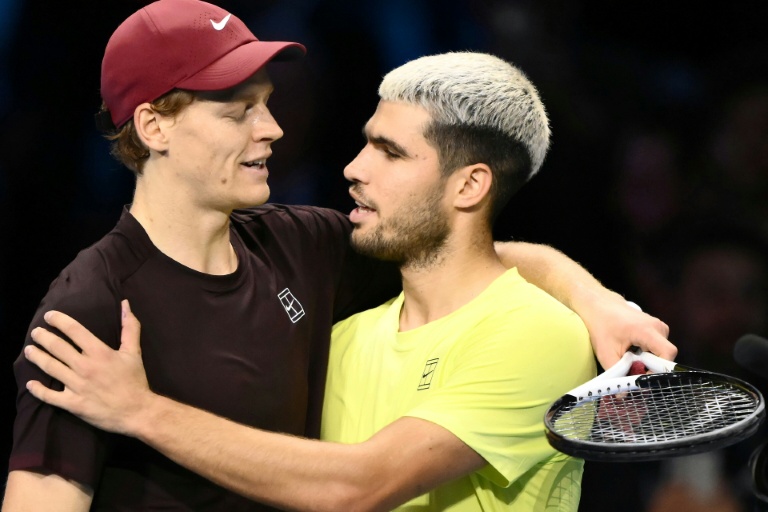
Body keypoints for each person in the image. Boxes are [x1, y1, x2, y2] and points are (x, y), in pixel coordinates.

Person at [5, 0, 676, 510]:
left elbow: (470, 253)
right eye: (238, 111)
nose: (272, 128)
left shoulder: (304, 246)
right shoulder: (92, 306)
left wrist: (596, 301)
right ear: (155, 126)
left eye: (266, 105)